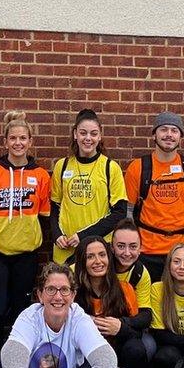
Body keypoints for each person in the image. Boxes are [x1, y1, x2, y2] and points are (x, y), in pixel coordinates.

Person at [0, 110, 51, 358]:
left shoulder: (40, 176)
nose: (18, 143)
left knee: (21, 312)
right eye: (13, 138)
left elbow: (45, 218)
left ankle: (18, 367)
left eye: (23, 139)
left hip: (26, 254)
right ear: (5, 141)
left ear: (30, 142)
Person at [123, 111, 184, 279]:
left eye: (174, 130)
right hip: (147, 252)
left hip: (182, 254)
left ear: (180, 137)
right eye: (163, 129)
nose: (169, 135)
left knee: (181, 303)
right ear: (154, 134)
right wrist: (134, 246)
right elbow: (127, 211)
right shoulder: (138, 168)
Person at [73, 236, 152, 368]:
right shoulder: (73, 293)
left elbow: (138, 331)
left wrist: (121, 327)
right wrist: (86, 323)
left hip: (117, 347)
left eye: (102, 255)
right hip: (84, 352)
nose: (98, 261)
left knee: (136, 348)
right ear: (82, 261)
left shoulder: (124, 289)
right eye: (90, 256)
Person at [50, 108, 128, 264]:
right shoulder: (62, 166)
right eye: (83, 133)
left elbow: (119, 213)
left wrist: (84, 236)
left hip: (97, 249)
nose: (88, 138)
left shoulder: (110, 168)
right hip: (65, 249)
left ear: (99, 136)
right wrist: (56, 234)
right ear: (75, 134)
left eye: (93, 134)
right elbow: (54, 206)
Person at [110, 219, 159, 368]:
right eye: (121, 246)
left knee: (144, 347)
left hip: (124, 327)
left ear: (141, 248)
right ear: (112, 247)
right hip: (96, 325)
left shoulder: (140, 273)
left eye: (133, 247)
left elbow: (145, 316)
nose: (127, 252)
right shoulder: (99, 264)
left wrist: (121, 325)